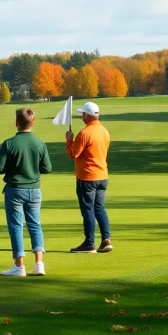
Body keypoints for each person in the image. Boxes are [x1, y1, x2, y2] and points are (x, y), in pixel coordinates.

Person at [0, 108, 52, 276]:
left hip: (15, 190)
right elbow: (47, 168)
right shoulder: (40, 143)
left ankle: (19, 266)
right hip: (34, 189)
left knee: (16, 226)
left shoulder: (9, 143)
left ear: (16, 123)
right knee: (35, 225)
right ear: (32, 123)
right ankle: (39, 263)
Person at [65, 101, 113, 253]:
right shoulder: (104, 131)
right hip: (102, 176)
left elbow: (74, 153)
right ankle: (106, 239)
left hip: (87, 177)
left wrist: (69, 140)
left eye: (82, 114)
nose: (81, 116)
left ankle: (89, 243)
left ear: (87, 115)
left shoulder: (85, 133)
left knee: (88, 210)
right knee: (99, 208)